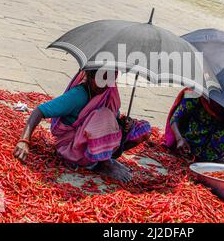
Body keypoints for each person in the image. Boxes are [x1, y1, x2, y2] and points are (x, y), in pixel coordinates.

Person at [14, 69, 151, 182]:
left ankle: (104, 156)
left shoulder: (109, 92)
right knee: (103, 116)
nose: (103, 85)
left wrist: (124, 123)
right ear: (89, 75)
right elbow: (39, 111)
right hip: (72, 147)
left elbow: (113, 118)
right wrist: (24, 141)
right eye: (99, 79)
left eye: (108, 79)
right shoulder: (79, 95)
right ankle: (102, 163)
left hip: (91, 139)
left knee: (142, 129)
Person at [164, 88, 224, 162]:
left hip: (215, 139)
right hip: (193, 139)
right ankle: (213, 155)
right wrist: (179, 138)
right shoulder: (196, 91)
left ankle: (222, 154)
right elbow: (175, 118)